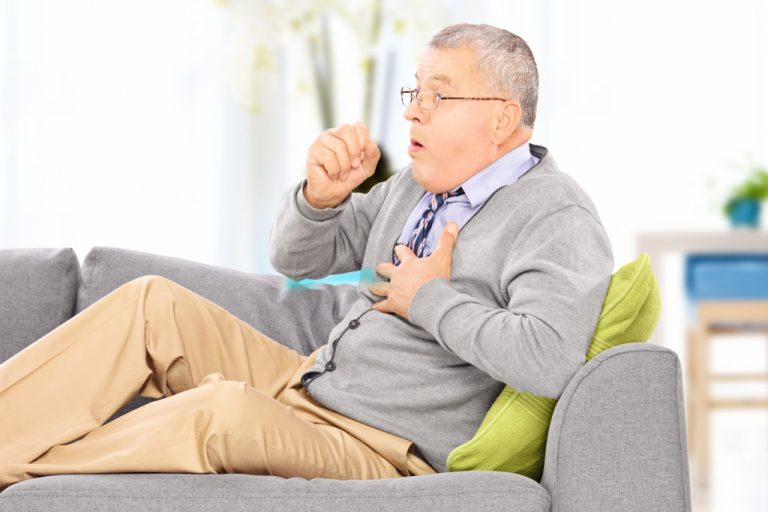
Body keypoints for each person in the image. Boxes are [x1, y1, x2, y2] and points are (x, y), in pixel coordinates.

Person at [0, 23, 613, 489]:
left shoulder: (554, 216)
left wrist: (428, 297)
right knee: (148, 304)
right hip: (313, 384)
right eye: (415, 91)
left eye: (439, 95)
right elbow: (296, 259)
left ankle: (22, 472)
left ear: (503, 120)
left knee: (216, 411)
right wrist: (321, 197)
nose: (411, 110)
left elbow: (552, 359)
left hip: (380, 447)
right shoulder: (417, 187)